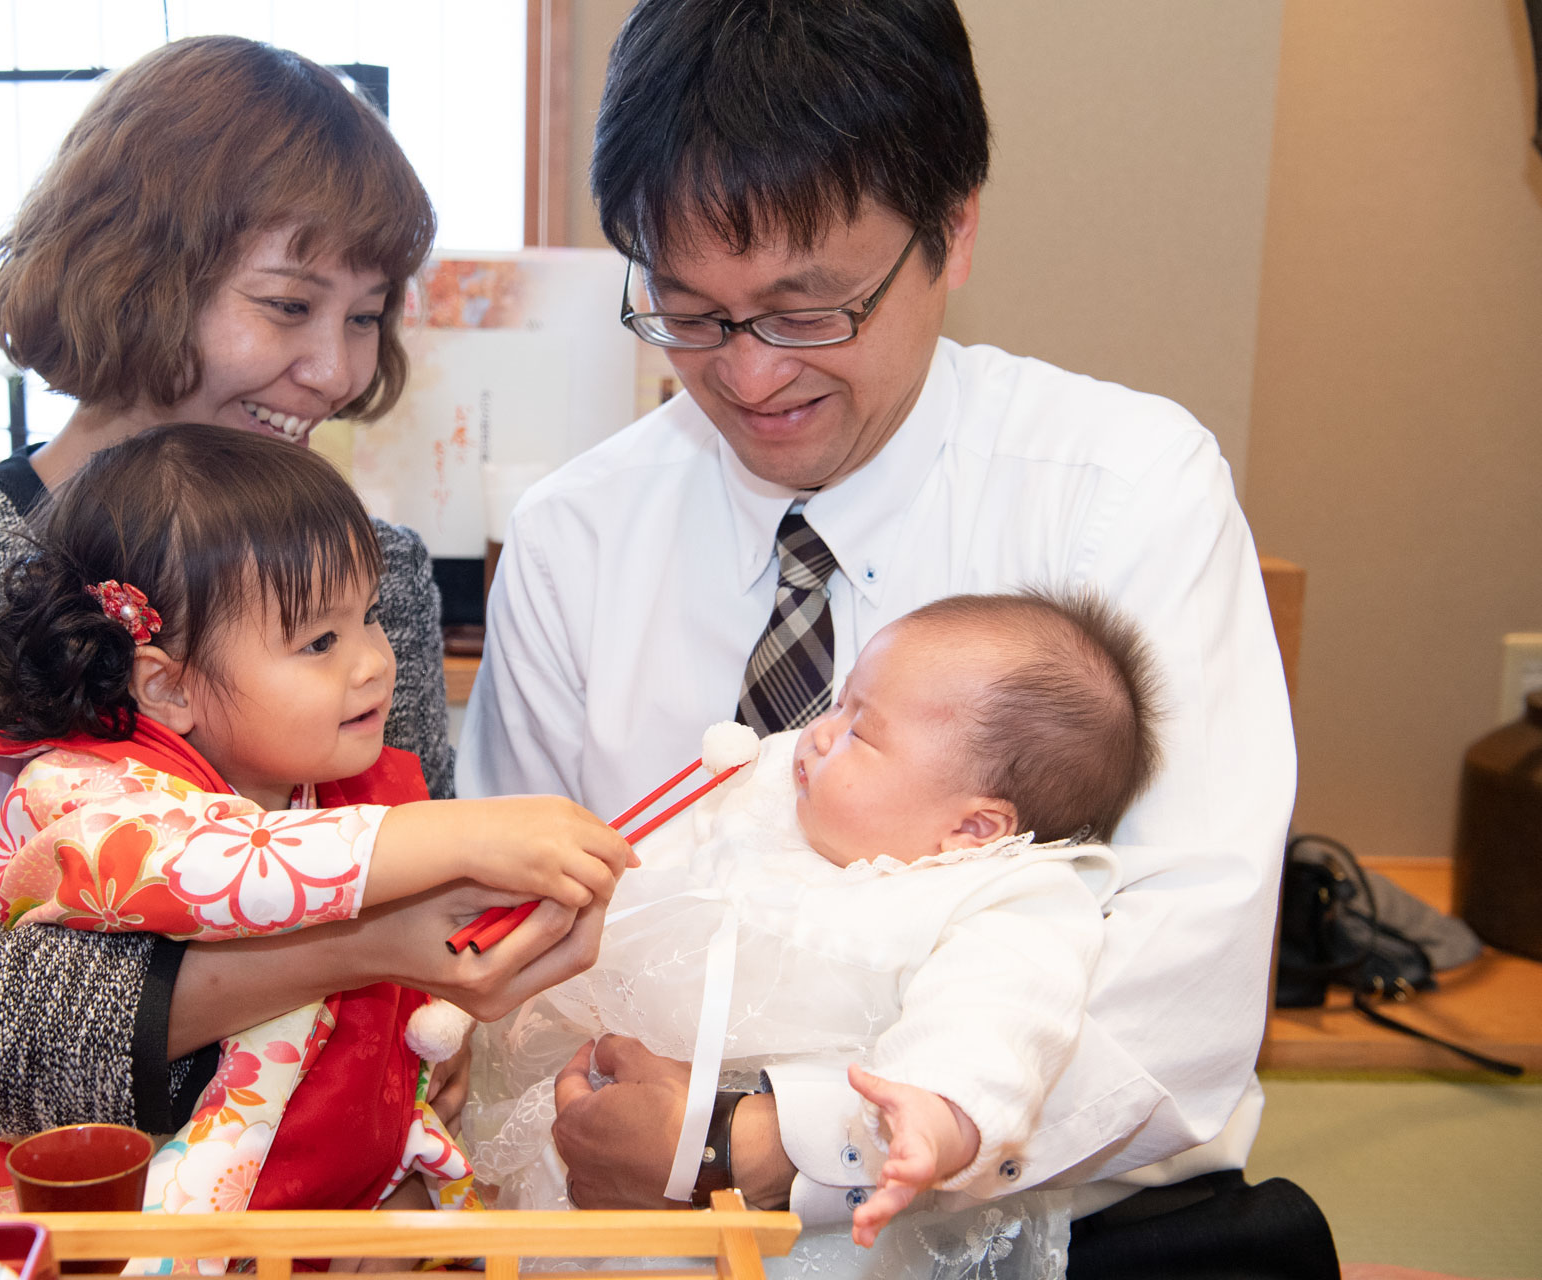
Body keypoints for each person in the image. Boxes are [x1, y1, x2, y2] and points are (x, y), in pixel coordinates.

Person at [459, 2, 1338, 1276]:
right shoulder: (573, 535)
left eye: (809, 310)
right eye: (690, 312)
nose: (751, 377)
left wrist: (763, 1141)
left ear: (955, 228)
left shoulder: (1124, 492)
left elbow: (1178, 1019)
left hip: (1062, 1232)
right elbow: (519, 956)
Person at [0, 36, 607, 1215]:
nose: (332, 370)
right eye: (287, 306)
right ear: (132, 272)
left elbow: (416, 922)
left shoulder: (376, 579)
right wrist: (348, 952)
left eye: (367, 317)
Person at [0, 425, 627, 1253]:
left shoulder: (325, 781)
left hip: (334, 1210)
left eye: (370, 619)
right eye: (320, 642)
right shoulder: (78, 796)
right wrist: (453, 835)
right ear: (166, 687)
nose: (375, 663)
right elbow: (223, 867)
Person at [469, 592, 1153, 1278]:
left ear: (973, 829)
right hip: (607, 1129)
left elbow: (999, 1019)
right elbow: (649, 875)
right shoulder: (769, 794)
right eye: (839, 703)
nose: (820, 734)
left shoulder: (1006, 896)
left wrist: (938, 1113)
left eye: (863, 733)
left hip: (808, 1233)